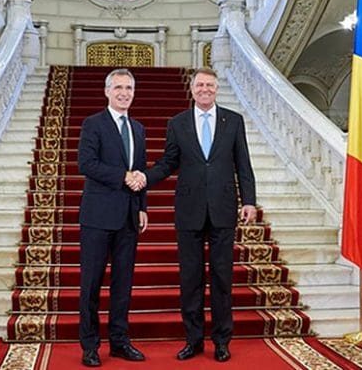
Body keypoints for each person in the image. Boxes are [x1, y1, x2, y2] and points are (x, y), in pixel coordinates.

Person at [130, 67, 257, 362]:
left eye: (209, 85)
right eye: (199, 85)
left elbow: (243, 164)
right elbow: (168, 162)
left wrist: (248, 201)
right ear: (192, 89)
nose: (204, 89)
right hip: (189, 212)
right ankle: (194, 340)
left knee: (223, 278)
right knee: (191, 278)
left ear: (216, 88)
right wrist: (145, 178)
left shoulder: (233, 121)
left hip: (224, 210)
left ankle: (222, 341)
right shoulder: (177, 123)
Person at [77, 68, 148, 367]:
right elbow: (87, 163)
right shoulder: (93, 124)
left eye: (129, 88)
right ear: (107, 91)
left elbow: (141, 170)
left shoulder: (139, 128)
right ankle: (90, 346)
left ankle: (119, 342)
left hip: (129, 217)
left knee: (123, 284)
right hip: (97, 216)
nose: (124, 93)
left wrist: (142, 206)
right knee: (91, 284)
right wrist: (123, 176)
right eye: (118, 87)